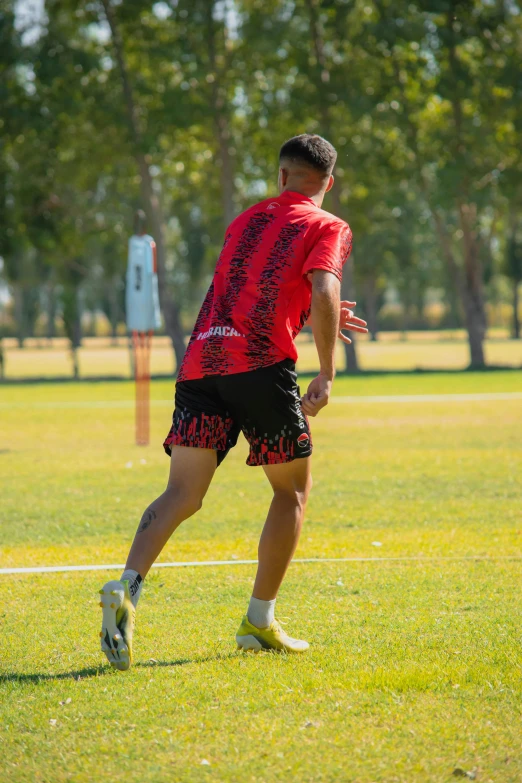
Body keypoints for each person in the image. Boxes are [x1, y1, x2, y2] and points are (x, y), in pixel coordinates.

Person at [98, 133, 368, 670]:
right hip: (259, 367)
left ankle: (127, 587)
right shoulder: (327, 225)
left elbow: (255, 291)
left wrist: (312, 313)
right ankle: (258, 622)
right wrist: (328, 371)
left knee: (182, 494)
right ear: (328, 184)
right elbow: (321, 287)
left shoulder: (244, 221)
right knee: (292, 491)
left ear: (281, 176)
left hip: (201, 362)